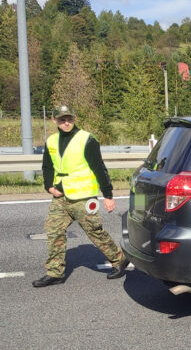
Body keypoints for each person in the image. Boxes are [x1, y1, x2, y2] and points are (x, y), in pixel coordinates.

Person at [32, 105, 129, 287]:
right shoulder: (51, 141)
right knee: (53, 231)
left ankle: (119, 259)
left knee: (94, 232)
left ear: (74, 118)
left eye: (69, 118)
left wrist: (108, 194)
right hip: (61, 197)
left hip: (84, 197)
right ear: (54, 120)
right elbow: (47, 166)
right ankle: (55, 272)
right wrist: (49, 188)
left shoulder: (87, 139)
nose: (66, 122)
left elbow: (99, 168)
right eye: (62, 119)